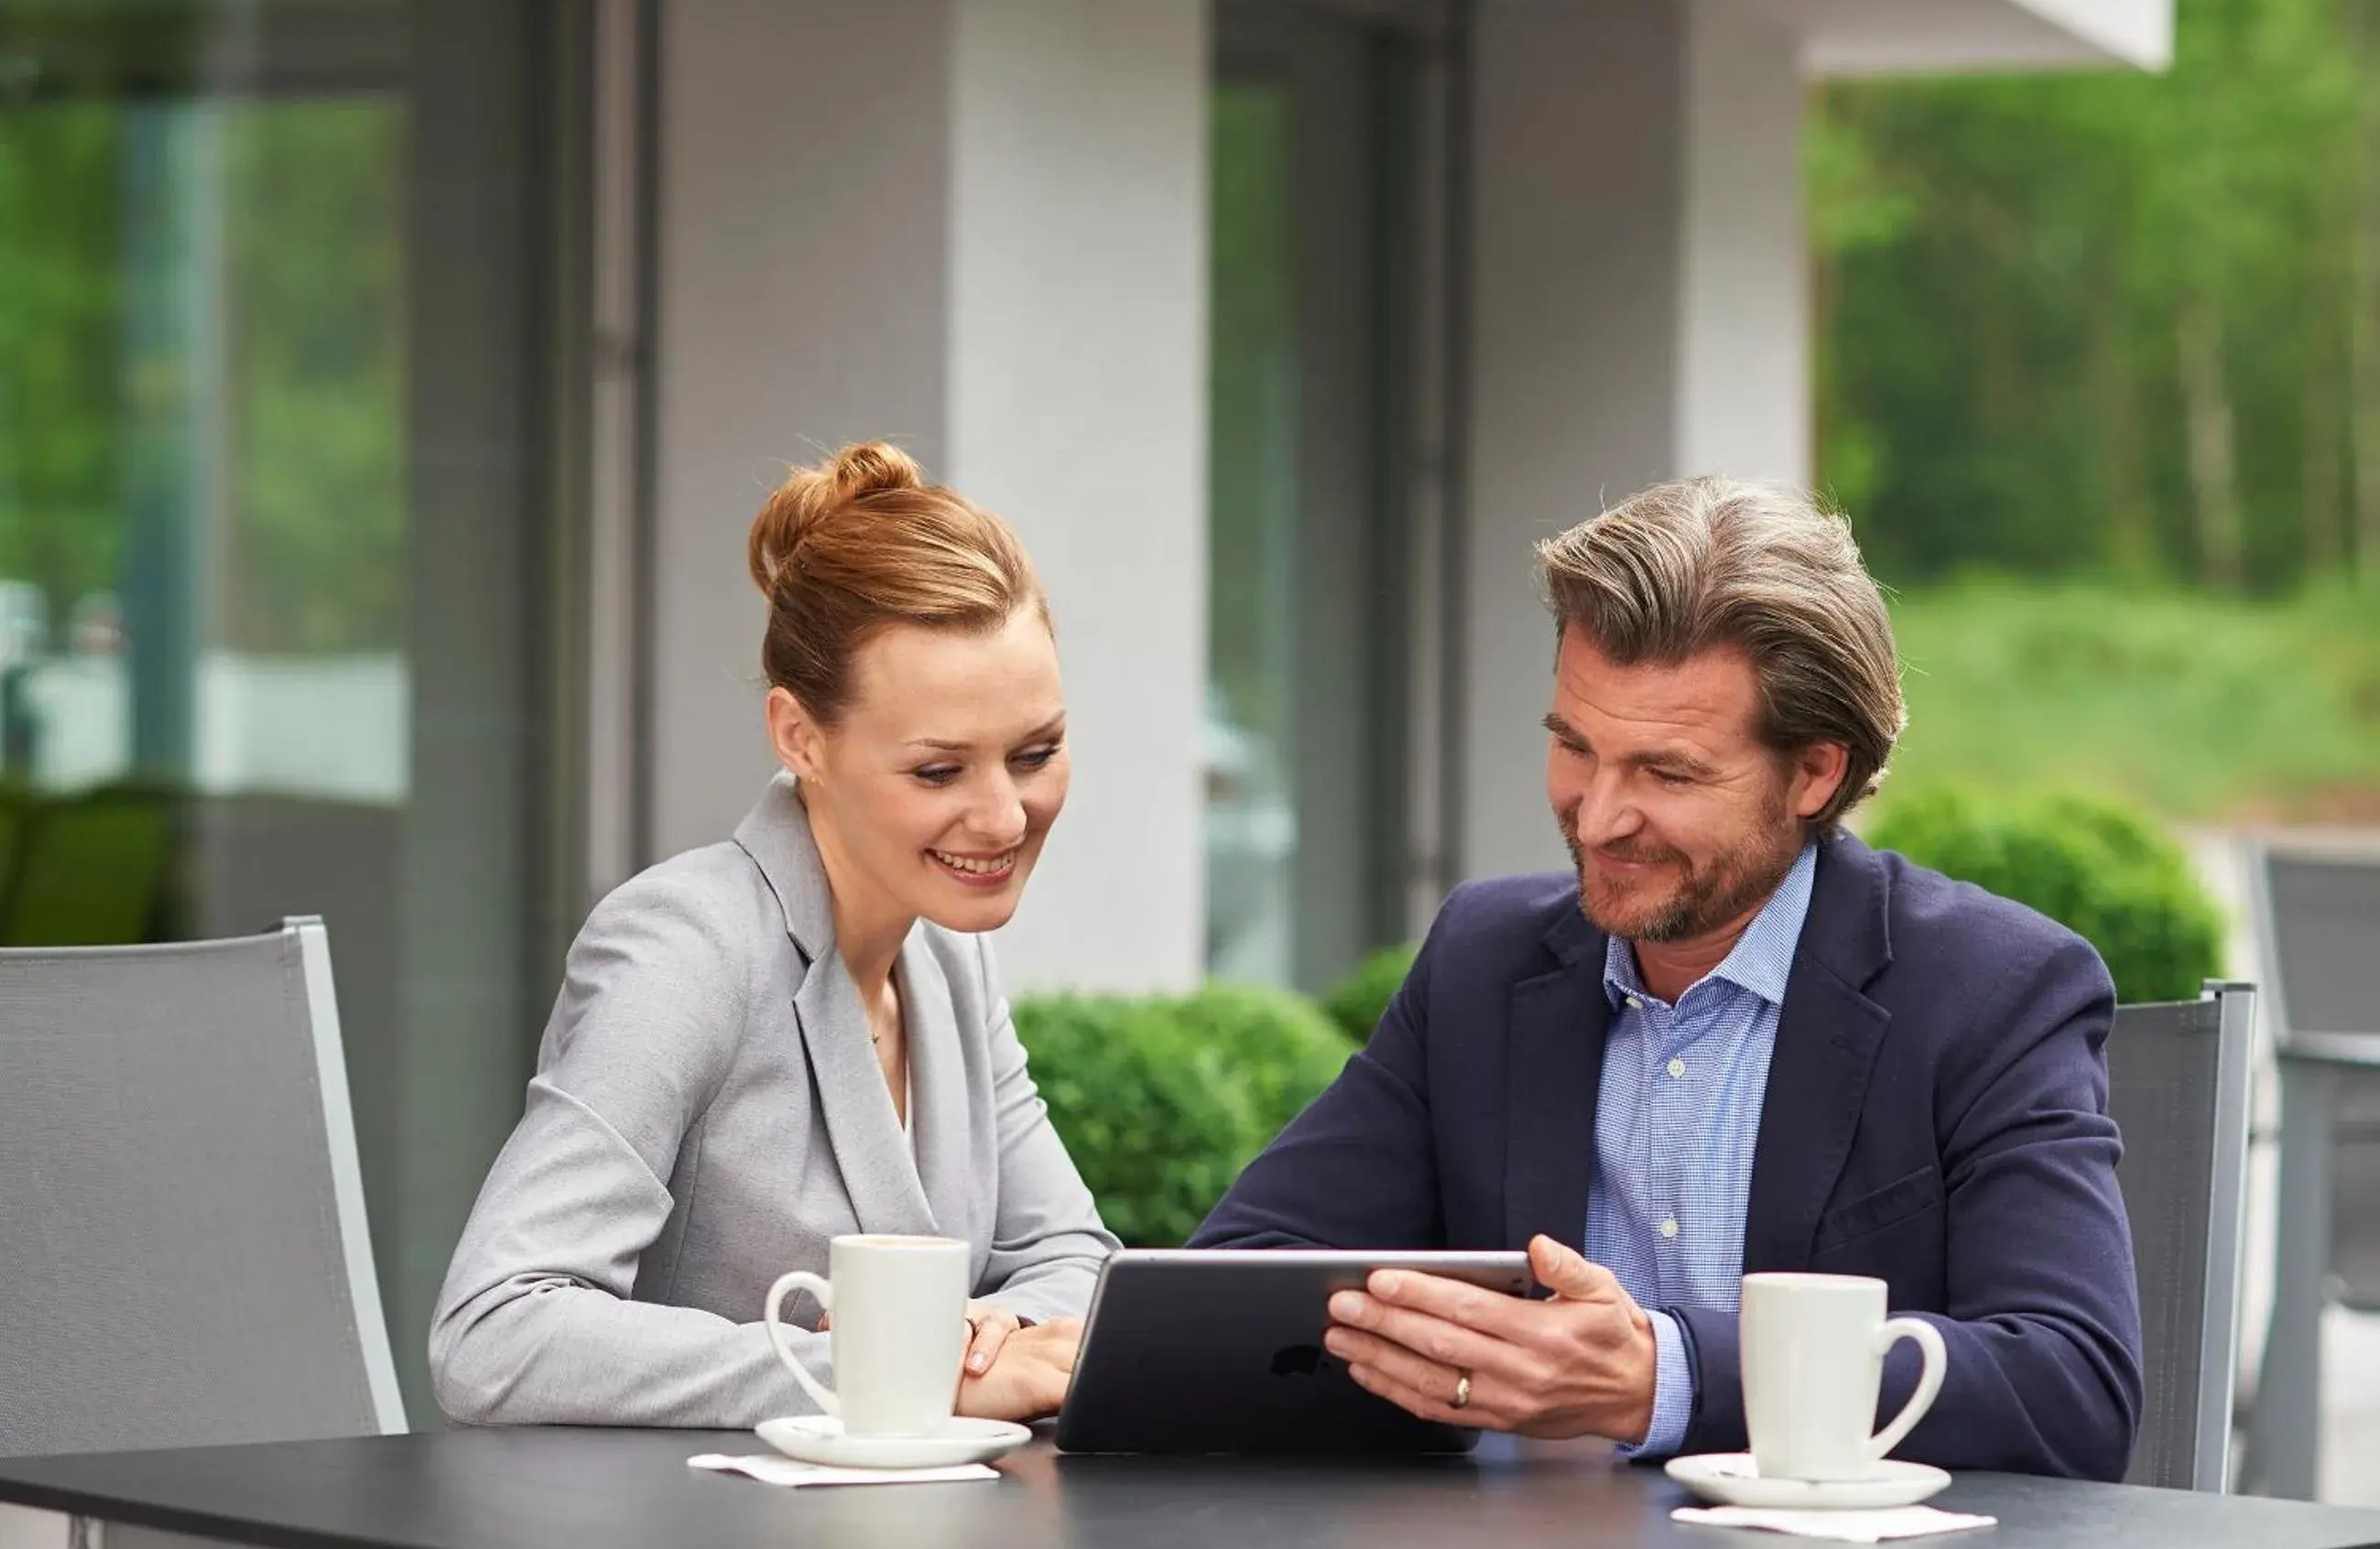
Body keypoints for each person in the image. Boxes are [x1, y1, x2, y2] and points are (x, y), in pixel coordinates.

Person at [1190, 478, 2143, 1480]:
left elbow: (2072, 1390)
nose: (1596, 817)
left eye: (1667, 773)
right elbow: (1239, 1279)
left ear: (1815, 772)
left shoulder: (1994, 992)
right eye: (1573, 748)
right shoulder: (1484, 958)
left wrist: (1667, 1377)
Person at [431, 441, 1118, 1427]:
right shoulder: (685, 949)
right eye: (938, 771)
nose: (1005, 818)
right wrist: (898, 1372)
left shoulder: (945, 956)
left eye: (1035, 754)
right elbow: (494, 1331)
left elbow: (1074, 1263)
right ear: (800, 738)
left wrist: (983, 1345)